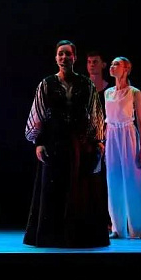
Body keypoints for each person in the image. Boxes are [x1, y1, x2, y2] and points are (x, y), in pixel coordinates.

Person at [24, 40, 109, 248]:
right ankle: (52, 237)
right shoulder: (46, 84)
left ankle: (79, 237)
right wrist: (39, 142)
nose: (64, 57)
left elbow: (95, 113)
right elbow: (38, 114)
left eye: (68, 54)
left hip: (79, 143)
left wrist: (98, 140)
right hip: (54, 142)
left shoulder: (86, 84)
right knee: (54, 190)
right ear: (56, 58)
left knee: (80, 190)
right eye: (60, 54)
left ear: (74, 57)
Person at [105, 57, 141, 239]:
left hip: (128, 135)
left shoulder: (134, 92)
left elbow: (140, 122)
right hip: (112, 136)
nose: (112, 66)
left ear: (126, 69)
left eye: (116, 64)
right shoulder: (108, 93)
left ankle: (138, 228)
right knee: (113, 180)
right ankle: (117, 228)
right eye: (111, 64)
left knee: (132, 180)